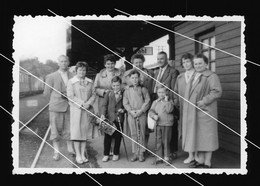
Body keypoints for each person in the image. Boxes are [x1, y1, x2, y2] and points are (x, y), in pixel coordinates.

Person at [182, 53, 222, 168]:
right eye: (195, 63)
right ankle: (200, 160)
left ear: (206, 64)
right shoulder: (194, 75)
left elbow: (217, 91)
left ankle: (207, 162)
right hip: (194, 112)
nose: (198, 65)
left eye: (200, 63)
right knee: (198, 136)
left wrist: (204, 101)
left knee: (207, 137)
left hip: (205, 111)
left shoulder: (211, 76)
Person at [43, 55, 74, 161]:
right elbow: (46, 93)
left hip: (70, 107)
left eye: (65, 61)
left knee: (69, 129)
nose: (64, 63)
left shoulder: (73, 75)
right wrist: (56, 97)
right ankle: (56, 152)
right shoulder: (51, 76)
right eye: (61, 61)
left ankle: (70, 149)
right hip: (56, 107)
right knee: (55, 131)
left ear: (68, 62)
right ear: (58, 63)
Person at [67, 61, 99, 164]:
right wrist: (82, 104)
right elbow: (70, 96)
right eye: (80, 69)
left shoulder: (90, 81)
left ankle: (83, 153)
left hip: (87, 110)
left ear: (86, 71)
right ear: (76, 71)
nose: (82, 71)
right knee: (77, 133)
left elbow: (94, 94)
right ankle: (78, 155)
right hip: (76, 110)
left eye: (84, 69)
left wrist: (88, 104)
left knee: (85, 133)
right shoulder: (71, 82)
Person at [123, 53, 154, 155]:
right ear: (132, 63)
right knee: (135, 131)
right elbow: (124, 88)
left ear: (143, 62)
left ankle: (144, 150)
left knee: (145, 129)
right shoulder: (127, 74)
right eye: (136, 62)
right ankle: (136, 151)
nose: (138, 64)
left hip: (146, 104)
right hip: (132, 105)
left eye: (140, 62)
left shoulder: (150, 72)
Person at [152, 51, 179, 160]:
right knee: (160, 130)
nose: (160, 61)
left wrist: (170, 104)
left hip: (168, 102)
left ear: (166, 59)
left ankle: (172, 151)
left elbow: (173, 90)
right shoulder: (156, 72)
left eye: (162, 58)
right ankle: (162, 153)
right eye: (158, 59)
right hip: (158, 102)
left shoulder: (173, 71)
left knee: (171, 129)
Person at [173, 53, 197, 164]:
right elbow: (176, 92)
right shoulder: (180, 77)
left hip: (195, 108)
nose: (186, 64)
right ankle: (190, 155)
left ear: (192, 61)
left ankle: (197, 155)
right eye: (183, 62)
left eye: (187, 61)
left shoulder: (198, 75)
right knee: (186, 131)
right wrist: (176, 103)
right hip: (183, 109)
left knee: (196, 131)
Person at [123, 69, 150, 162]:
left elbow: (147, 101)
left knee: (141, 133)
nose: (134, 80)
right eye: (132, 78)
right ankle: (135, 153)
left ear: (139, 78)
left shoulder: (143, 89)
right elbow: (125, 102)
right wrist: (130, 111)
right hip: (131, 114)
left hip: (141, 114)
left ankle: (141, 152)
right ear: (130, 79)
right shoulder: (127, 90)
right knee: (134, 133)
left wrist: (141, 111)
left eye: (136, 78)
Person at [100, 76, 125, 162]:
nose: (115, 87)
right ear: (111, 85)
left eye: (117, 85)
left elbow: (126, 105)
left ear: (120, 85)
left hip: (119, 118)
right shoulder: (108, 94)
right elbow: (104, 105)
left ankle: (116, 153)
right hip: (109, 118)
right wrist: (103, 114)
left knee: (118, 137)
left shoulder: (124, 93)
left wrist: (123, 110)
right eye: (114, 85)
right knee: (107, 137)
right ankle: (106, 154)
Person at [148, 84, 174, 165]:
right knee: (158, 140)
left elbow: (169, 110)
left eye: (163, 92)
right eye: (159, 92)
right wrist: (153, 116)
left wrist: (166, 101)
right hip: (158, 124)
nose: (161, 94)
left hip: (166, 124)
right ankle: (159, 157)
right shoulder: (155, 102)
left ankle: (166, 157)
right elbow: (151, 111)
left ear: (166, 92)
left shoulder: (169, 102)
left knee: (166, 141)